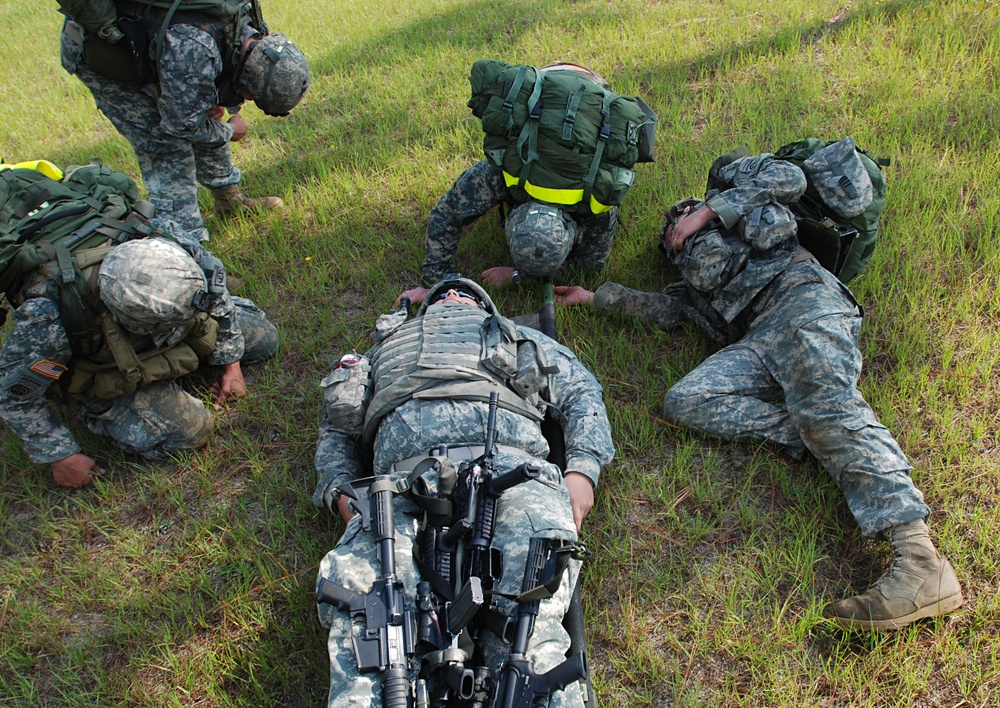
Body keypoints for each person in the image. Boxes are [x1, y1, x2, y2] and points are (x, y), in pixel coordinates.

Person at [555, 144, 963, 631]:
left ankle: (920, 562)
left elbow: (788, 176)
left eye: (679, 218)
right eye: (670, 235)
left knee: (829, 410)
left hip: (803, 305)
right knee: (685, 400)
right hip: (759, 339)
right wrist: (595, 297)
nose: (675, 230)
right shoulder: (695, 284)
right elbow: (667, 311)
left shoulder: (739, 191)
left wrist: (708, 208)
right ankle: (819, 435)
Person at [313, 276, 614, 705]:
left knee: (526, 625)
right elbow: (336, 431)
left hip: (512, 473)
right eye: (442, 293)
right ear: (425, 309)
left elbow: (582, 393)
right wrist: (342, 493)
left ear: (482, 308)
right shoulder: (380, 353)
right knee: (373, 620)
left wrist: (582, 472)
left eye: (466, 293)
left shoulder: (517, 337)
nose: (453, 295)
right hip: (399, 486)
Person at [0, 236, 278, 488]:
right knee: (191, 430)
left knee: (264, 340)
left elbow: (215, 297)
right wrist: (61, 455)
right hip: (109, 364)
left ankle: (175, 352)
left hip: (172, 330)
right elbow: (13, 394)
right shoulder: (48, 318)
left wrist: (232, 366)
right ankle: (99, 408)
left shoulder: (171, 248)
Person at [57, 1, 310, 248]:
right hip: (109, 58)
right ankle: (187, 252)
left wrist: (217, 98)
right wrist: (230, 131)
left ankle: (230, 201)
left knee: (207, 113)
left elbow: (215, 85)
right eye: (251, 95)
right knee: (166, 146)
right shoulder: (193, 50)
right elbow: (184, 125)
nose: (247, 100)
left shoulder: (248, 21)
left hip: (162, 45)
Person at [399, 62, 650, 306]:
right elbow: (446, 215)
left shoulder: (600, 195)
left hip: (594, 95)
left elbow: (590, 266)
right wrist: (433, 282)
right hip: (546, 89)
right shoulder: (502, 172)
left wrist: (518, 276)